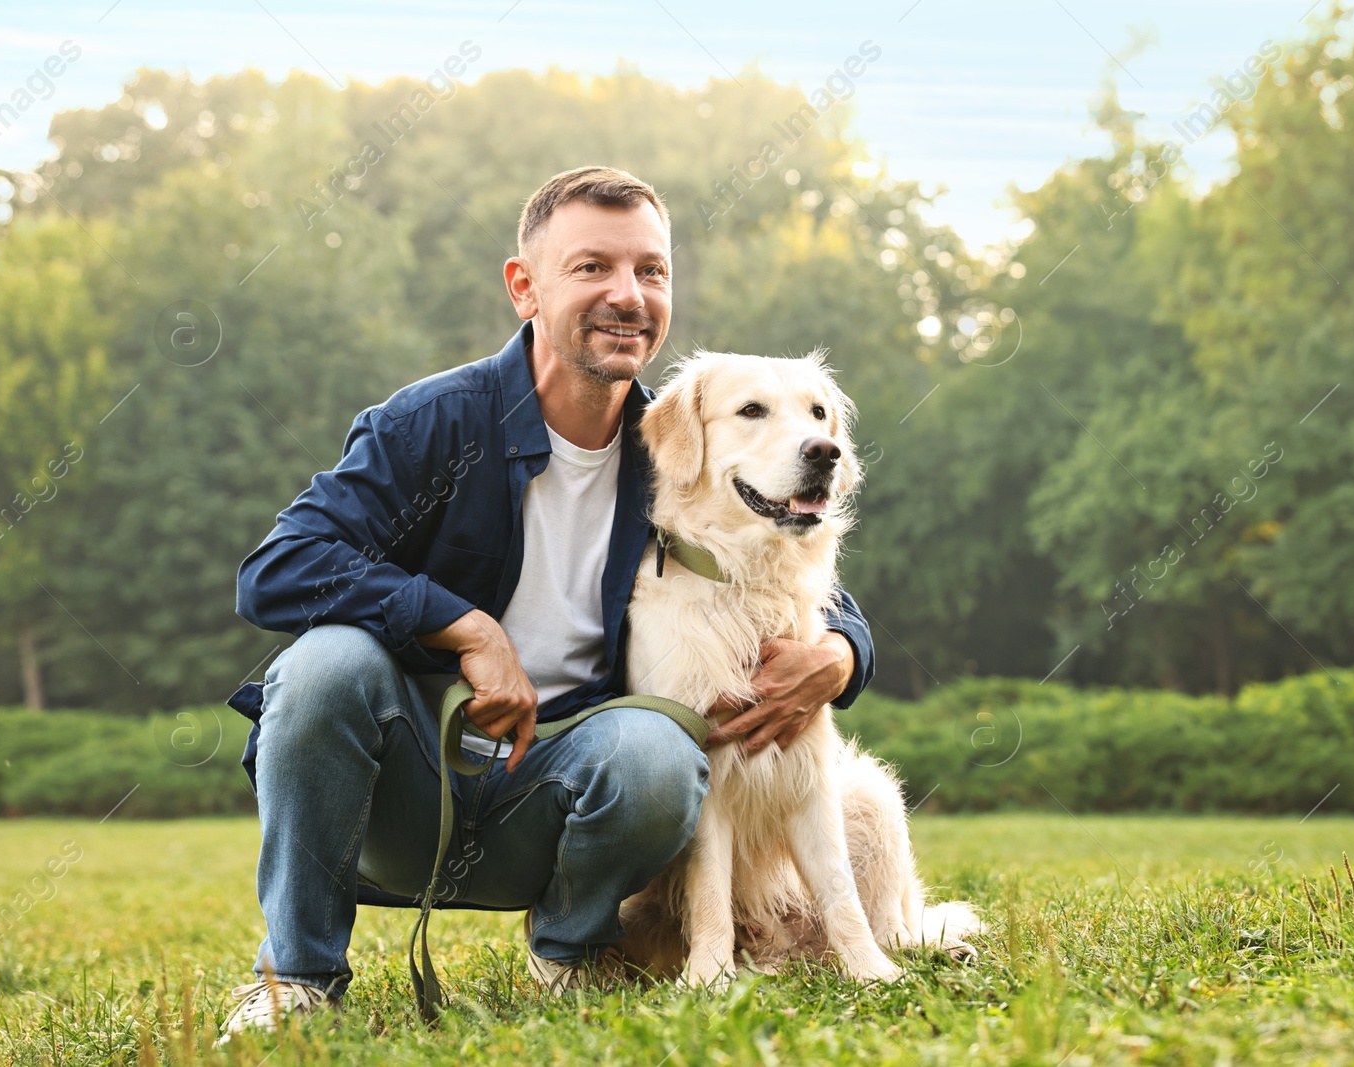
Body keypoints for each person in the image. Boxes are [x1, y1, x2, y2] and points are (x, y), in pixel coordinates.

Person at [217, 166, 875, 1039]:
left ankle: (571, 955)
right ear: (524, 286)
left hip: (564, 798)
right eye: (592, 267)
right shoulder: (431, 424)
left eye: (651, 271)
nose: (627, 295)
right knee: (323, 663)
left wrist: (841, 653)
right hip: (412, 790)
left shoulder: (677, 444)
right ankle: (296, 977)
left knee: (657, 746)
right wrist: (464, 625)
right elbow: (280, 566)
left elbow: (788, 560)